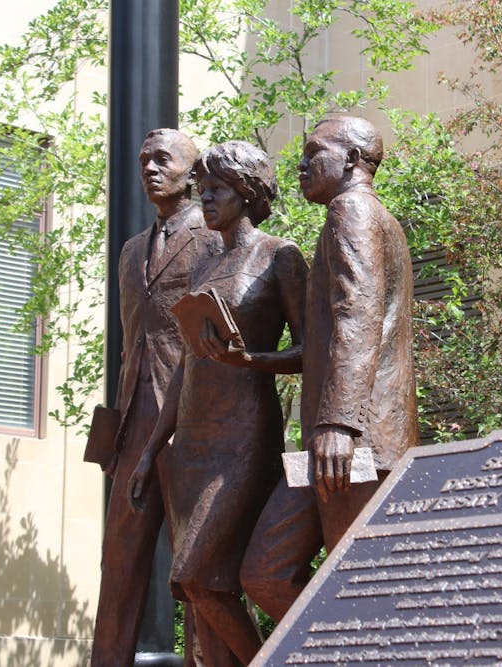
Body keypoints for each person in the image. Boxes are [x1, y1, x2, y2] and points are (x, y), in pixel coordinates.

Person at [128, 140, 308, 665]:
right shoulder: (207, 266)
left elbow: (310, 349)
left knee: (193, 575)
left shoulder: (281, 255)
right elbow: (187, 362)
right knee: (206, 584)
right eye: (202, 189)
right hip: (195, 438)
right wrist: (149, 451)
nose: (204, 199)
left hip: (245, 435)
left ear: (247, 194)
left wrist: (251, 360)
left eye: (217, 190)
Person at [240, 116, 420, 622]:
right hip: (329, 444)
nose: (300, 163)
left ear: (353, 161)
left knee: (360, 590)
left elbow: (357, 317)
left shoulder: (354, 211)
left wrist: (339, 423)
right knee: (264, 572)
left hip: (355, 442)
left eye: (314, 151)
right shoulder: (350, 216)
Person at [91, 129, 220, 667]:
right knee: (118, 561)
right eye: (143, 160)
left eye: (162, 159)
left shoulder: (214, 238)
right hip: (132, 422)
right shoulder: (128, 253)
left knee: (194, 565)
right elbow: (131, 343)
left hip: (192, 419)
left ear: (192, 173)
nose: (149, 168)